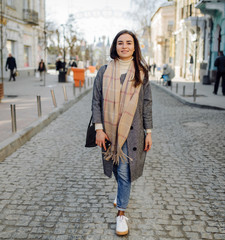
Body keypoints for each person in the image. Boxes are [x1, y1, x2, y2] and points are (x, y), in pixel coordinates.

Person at [91, 30, 153, 236]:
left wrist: (149, 131)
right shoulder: (104, 71)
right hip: (109, 130)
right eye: (120, 43)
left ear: (135, 47)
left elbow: (146, 104)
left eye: (128, 43)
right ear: (115, 46)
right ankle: (121, 194)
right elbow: (96, 101)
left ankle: (121, 215)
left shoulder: (142, 72)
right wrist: (99, 129)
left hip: (132, 131)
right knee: (117, 167)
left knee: (125, 171)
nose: (124, 46)